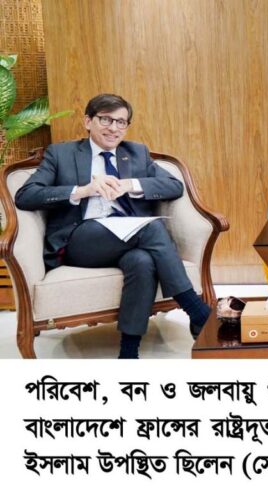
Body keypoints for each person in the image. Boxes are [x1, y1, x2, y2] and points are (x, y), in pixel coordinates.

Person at [15, 93, 210, 358]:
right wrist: (83, 190)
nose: (114, 128)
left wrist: (131, 184)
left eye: (121, 122)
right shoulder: (61, 154)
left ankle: (128, 352)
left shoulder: (136, 153)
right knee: (151, 228)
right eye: (106, 119)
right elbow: (26, 195)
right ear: (88, 121)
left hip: (129, 238)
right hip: (81, 240)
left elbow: (174, 186)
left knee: (142, 261)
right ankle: (196, 310)